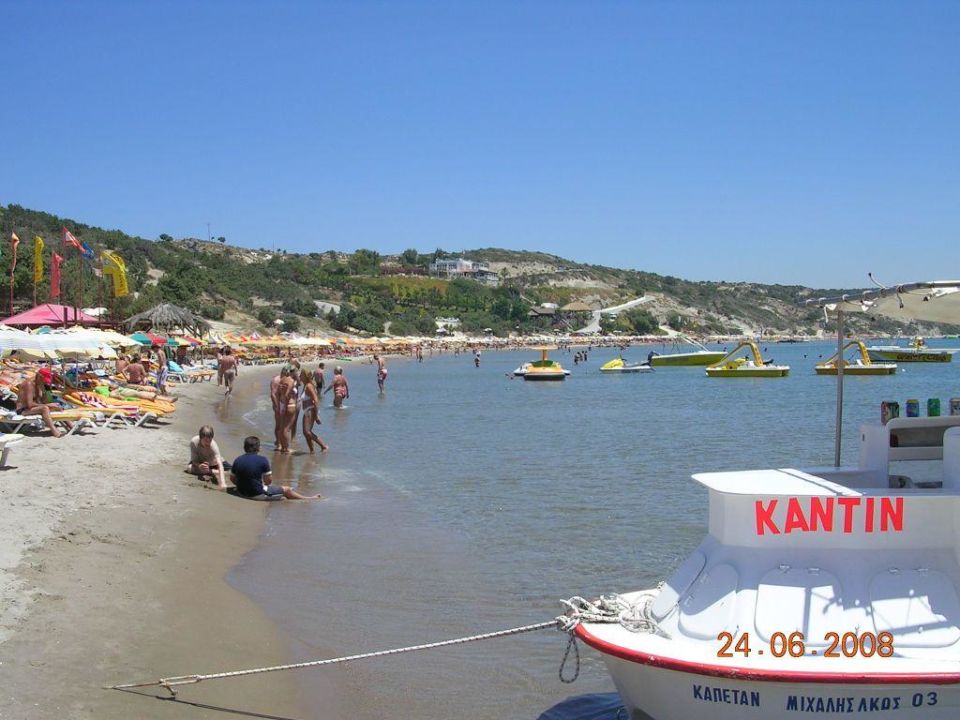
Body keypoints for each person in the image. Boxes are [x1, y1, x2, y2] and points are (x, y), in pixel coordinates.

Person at [230, 436, 320, 500]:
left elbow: (232, 479)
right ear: (259, 448)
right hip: (256, 494)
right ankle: (309, 498)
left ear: (244, 448)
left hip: (240, 492)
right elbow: (268, 481)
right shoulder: (263, 460)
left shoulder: (238, 459)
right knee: (287, 489)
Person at [16, 368, 65, 438]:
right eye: (44, 380)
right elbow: (29, 404)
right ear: (39, 376)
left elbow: (41, 400)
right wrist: (48, 405)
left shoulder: (38, 384)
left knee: (57, 406)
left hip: (33, 408)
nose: (45, 382)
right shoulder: (28, 384)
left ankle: (71, 427)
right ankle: (54, 430)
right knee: (44, 408)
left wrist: (52, 404)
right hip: (23, 409)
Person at [186, 425, 231, 489]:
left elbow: (220, 464)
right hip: (201, 462)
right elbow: (194, 461)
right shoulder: (194, 442)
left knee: (232, 471)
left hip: (214, 463)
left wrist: (222, 483)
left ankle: (214, 471)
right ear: (200, 438)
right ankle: (217, 472)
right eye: (205, 441)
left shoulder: (213, 446)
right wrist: (199, 465)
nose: (208, 443)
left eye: (210, 440)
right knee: (189, 468)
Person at [299, 369, 328, 453]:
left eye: (301, 374)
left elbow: (315, 399)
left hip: (310, 410)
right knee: (306, 432)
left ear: (305, 376)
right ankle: (311, 450)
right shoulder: (305, 385)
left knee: (307, 432)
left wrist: (317, 415)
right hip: (307, 411)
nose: (300, 376)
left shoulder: (309, 386)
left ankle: (323, 446)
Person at [277, 365, 298, 453]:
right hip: (289, 405)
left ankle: (282, 447)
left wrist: (282, 406)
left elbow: (278, 393)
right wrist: (285, 406)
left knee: (282, 428)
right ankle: (286, 448)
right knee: (287, 428)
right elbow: (287, 394)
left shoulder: (282, 380)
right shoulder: (291, 381)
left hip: (282, 404)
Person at [269, 367, 289, 449]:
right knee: (279, 425)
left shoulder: (286, 379)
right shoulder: (276, 380)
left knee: (283, 425)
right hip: (278, 404)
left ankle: (280, 441)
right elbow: (273, 394)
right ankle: (278, 443)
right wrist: (276, 406)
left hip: (283, 404)